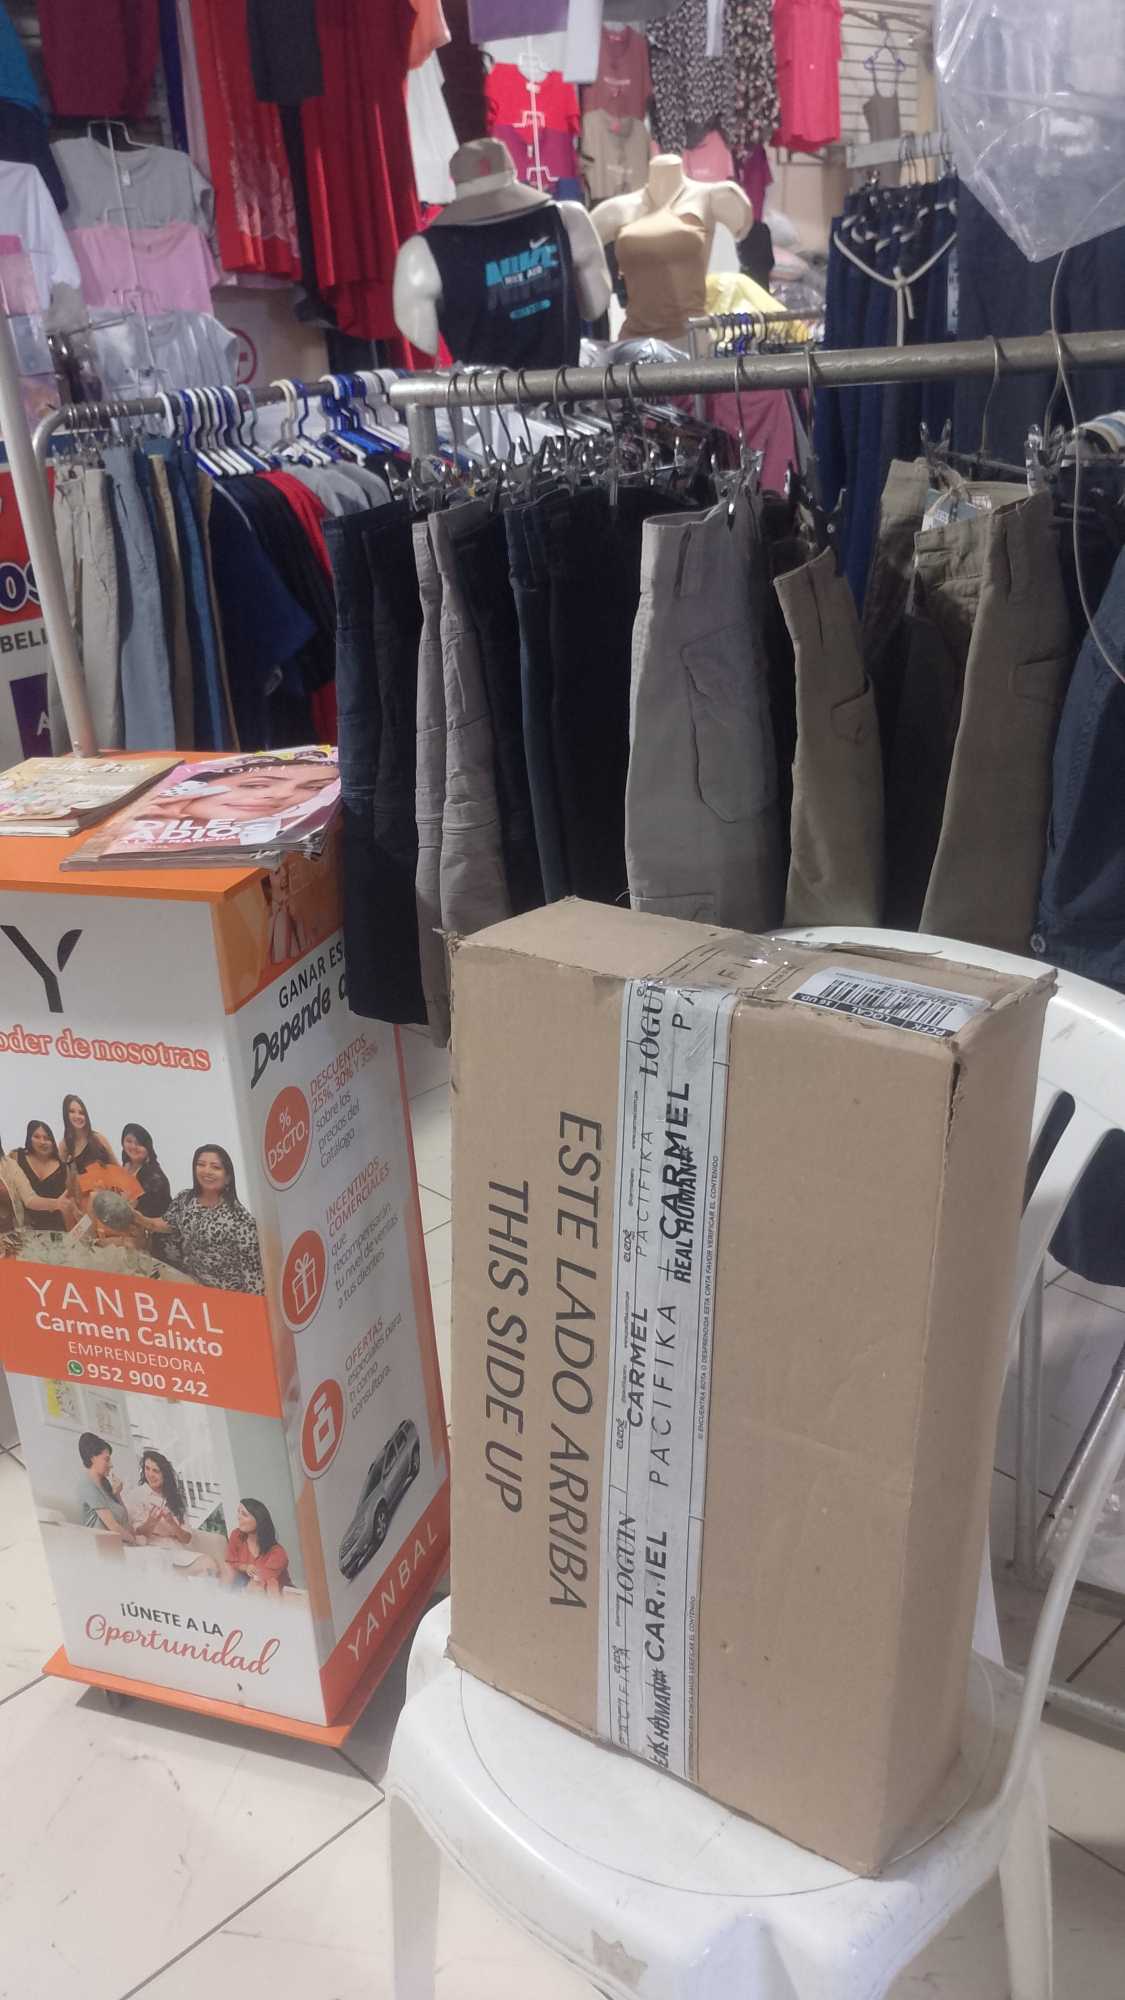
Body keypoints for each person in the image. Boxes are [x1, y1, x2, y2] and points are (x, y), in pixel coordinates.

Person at [143, 1144, 264, 1293]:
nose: (207, 1171)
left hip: (223, 1295)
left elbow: (254, 1281)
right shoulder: (186, 1198)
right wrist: (137, 1218)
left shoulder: (242, 1222)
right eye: (201, 1164)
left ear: (227, 1178)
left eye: (215, 1167)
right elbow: (166, 1223)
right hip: (191, 1281)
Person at [183, 1498, 291, 1594]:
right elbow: (231, 1562)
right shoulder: (237, 1535)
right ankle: (221, 1598)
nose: (238, 1517)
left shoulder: (277, 1553)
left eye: (244, 1514)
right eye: (238, 1512)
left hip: (272, 1592)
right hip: (245, 1583)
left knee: (268, 1584)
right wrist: (246, 1567)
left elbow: (261, 1579)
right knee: (227, 1568)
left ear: (259, 1520)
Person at [12, 1121, 78, 1231]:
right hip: (23, 1226)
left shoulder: (63, 1168)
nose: (42, 1142)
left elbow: (69, 1202)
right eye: (37, 1137)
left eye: (47, 1138)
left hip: (55, 1228)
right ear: (29, 1138)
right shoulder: (17, 1156)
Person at [124, 1449, 193, 1545]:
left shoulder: (175, 1499)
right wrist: (151, 1521)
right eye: (147, 1468)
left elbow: (187, 1539)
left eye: (155, 1471)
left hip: (177, 1547)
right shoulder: (136, 1495)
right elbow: (137, 1534)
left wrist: (172, 1522)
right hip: (153, 1547)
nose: (150, 1475)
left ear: (165, 1475)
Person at [77, 1432, 136, 1541]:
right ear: (93, 1458)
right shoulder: (87, 1485)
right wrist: (135, 1540)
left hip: (116, 1543)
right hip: (99, 1545)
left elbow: (125, 1521)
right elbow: (113, 1527)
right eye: (107, 1459)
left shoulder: (104, 1484)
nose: (111, 1465)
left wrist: (117, 1494)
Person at [120, 1124, 173, 1232]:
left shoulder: (154, 1177)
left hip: (152, 1228)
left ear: (148, 1148)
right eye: (129, 1141)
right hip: (130, 1220)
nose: (133, 1147)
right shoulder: (127, 1165)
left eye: (139, 1144)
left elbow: (149, 1213)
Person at [59, 1094, 114, 1175]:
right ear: (66, 1115)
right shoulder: (65, 1145)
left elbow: (117, 1167)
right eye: (72, 1111)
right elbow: (60, 1175)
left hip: (107, 1182)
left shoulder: (98, 1138)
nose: (77, 1116)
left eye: (81, 1113)